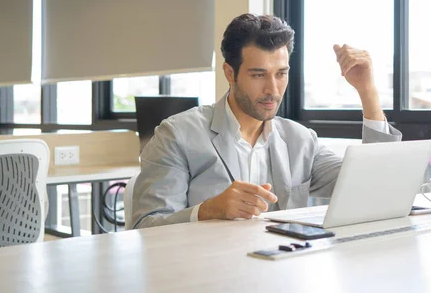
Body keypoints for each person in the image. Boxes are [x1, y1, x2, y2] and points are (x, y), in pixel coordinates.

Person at [131, 14, 401, 228]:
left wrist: (367, 91)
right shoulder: (176, 135)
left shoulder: (301, 140)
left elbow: (374, 186)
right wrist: (208, 210)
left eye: (281, 74)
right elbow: (146, 226)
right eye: (258, 75)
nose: (273, 89)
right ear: (230, 73)